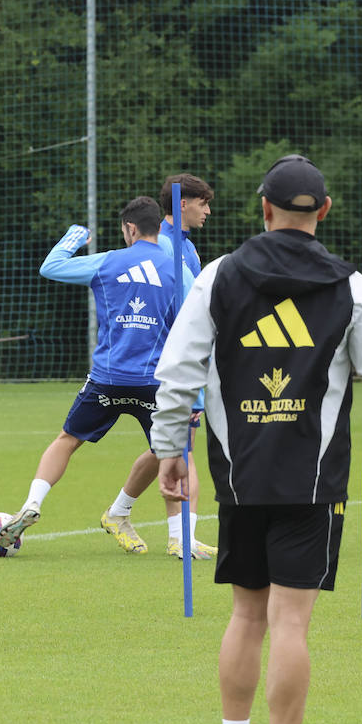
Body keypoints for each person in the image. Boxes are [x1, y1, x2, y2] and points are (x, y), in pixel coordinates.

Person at [153, 154, 362, 724]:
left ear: (262, 207)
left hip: (237, 476)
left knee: (246, 616)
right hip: (313, 483)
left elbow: (177, 368)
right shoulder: (351, 286)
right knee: (292, 623)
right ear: (323, 212)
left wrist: (170, 445)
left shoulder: (217, 275)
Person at [0, 197, 177, 555]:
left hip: (107, 377)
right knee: (169, 449)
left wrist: (74, 237)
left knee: (67, 439)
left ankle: (32, 503)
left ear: (130, 228)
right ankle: (169, 534)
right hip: (152, 381)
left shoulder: (108, 261)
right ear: (159, 228)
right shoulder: (176, 269)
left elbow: (51, 268)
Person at [154, 174, 217, 560]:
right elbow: (191, 310)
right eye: (203, 203)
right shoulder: (164, 248)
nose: (208, 210)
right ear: (182, 204)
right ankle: (181, 538)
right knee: (181, 447)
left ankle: (119, 510)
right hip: (174, 364)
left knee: (168, 445)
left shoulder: (185, 247)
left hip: (186, 360)